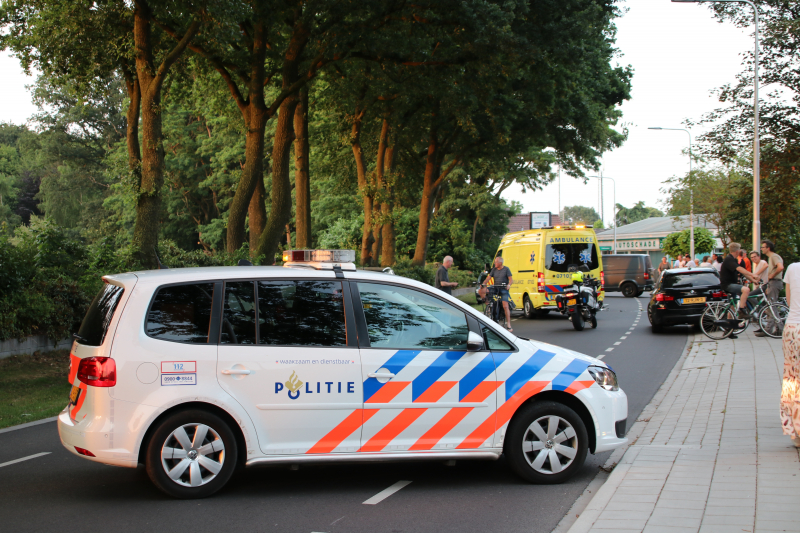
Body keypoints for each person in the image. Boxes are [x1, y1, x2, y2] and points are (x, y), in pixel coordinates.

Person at [720, 242, 761, 334]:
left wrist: (753, 280)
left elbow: (742, 273)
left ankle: (728, 331)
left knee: (732, 308)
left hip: (731, 284)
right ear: (738, 251)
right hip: (727, 285)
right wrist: (753, 274)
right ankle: (742, 310)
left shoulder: (733, 259)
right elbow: (739, 269)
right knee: (746, 290)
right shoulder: (729, 259)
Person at [781, 260, 800, 447]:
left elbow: (788, 300)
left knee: (792, 379)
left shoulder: (793, 268)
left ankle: (796, 432)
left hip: (793, 328)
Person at [755, 239, 785, 337]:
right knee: (772, 306)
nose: (761, 249)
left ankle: (769, 330)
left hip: (775, 282)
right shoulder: (771, 257)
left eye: (763, 247)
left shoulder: (774, 256)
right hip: (773, 283)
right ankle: (778, 329)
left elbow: (780, 267)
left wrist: (772, 275)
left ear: (768, 248)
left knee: (771, 307)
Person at [482, 256, 514, 332]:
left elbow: (511, 280)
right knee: (482, 291)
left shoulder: (506, 269)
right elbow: (488, 278)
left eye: (496, 262)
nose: (495, 263)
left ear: (500, 263)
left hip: (503, 289)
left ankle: (509, 324)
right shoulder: (494, 269)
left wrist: (509, 285)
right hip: (495, 288)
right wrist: (483, 284)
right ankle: (488, 305)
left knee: (505, 306)